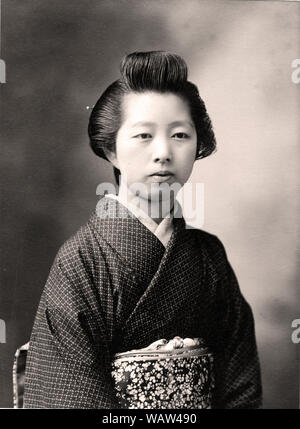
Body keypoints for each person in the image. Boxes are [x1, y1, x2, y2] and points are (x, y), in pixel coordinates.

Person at [24, 51, 262, 409]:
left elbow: (240, 388)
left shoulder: (209, 256)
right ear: (111, 150)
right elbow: (70, 394)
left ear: (198, 145)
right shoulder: (81, 262)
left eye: (180, 134)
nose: (164, 152)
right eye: (144, 136)